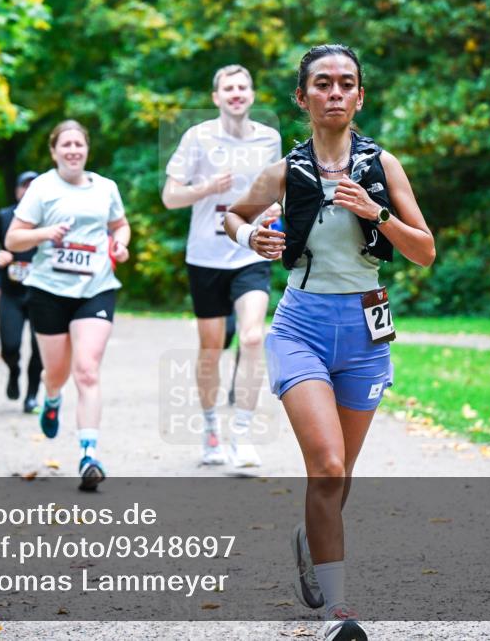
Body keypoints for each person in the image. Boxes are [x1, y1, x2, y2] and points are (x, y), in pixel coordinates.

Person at [224, 44, 436, 641]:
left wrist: (377, 213)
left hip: (366, 333)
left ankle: (309, 539)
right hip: (301, 329)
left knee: (336, 482)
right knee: (328, 465)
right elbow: (232, 215)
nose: (335, 92)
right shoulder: (284, 172)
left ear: (360, 97)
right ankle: (340, 613)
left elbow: (424, 251)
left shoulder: (383, 167)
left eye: (346, 83)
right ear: (303, 97)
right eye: (323, 83)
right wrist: (250, 239)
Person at [162, 64, 281, 470]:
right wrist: (206, 189)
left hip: (250, 251)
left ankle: (242, 435)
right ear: (216, 97)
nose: (236, 93)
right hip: (206, 257)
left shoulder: (269, 138)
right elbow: (170, 197)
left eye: (242, 87)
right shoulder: (197, 137)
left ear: (251, 94)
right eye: (228, 87)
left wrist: (274, 214)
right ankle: (211, 428)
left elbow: (275, 192)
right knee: (211, 349)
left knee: (251, 338)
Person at [5, 120, 130, 492]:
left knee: (87, 370)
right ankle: (52, 397)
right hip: (48, 290)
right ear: (54, 151)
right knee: (55, 372)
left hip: (96, 286)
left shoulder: (106, 187)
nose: (73, 150)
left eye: (79, 144)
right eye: (66, 145)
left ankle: (89, 455)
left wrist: (120, 244)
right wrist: (46, 233)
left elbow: (120, 225)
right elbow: (13, 239)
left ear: (86, 149)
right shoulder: (42, 188)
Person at [0, 170, 43, 413]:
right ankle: (14, 370)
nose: (28, 191)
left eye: (34, 186)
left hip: (41, 294)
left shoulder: (50, 217)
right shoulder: (5, 216)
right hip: (12, 294)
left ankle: (32, 397)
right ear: (17, 191)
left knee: (40, 348)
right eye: (24, 186)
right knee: (10, 345)